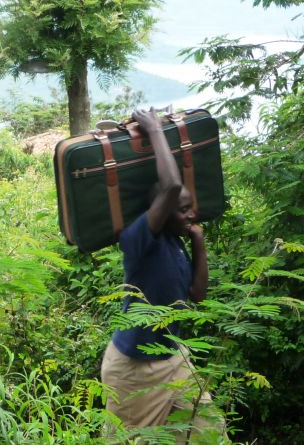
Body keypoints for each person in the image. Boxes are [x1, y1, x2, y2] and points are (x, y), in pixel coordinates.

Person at [100, 109, 226, 443]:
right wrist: (155, 129)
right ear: (159, 213)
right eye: (183, 209)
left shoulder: (175, 243)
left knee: (208, 433)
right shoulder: (139, 240)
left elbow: (197, 294)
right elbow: (171, 185)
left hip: (173, 357)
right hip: (136, 370)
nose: (192, 213)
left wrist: (198, 240)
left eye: (190, 207)